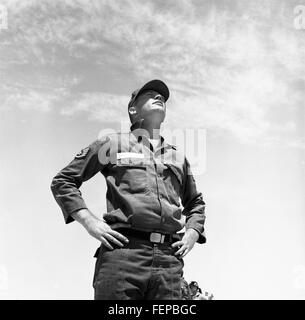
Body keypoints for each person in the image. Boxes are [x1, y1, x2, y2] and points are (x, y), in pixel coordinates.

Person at [50, 79, 206, 300]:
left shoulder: (178, 157)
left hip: (169, 263)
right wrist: (89, 221)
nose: (159, 97)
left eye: (162, 96)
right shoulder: (112, 144)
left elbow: (195, 203)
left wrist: (193, 232)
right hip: (123, 255)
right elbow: (63, 181)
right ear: (133, 109)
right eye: (150, 94)